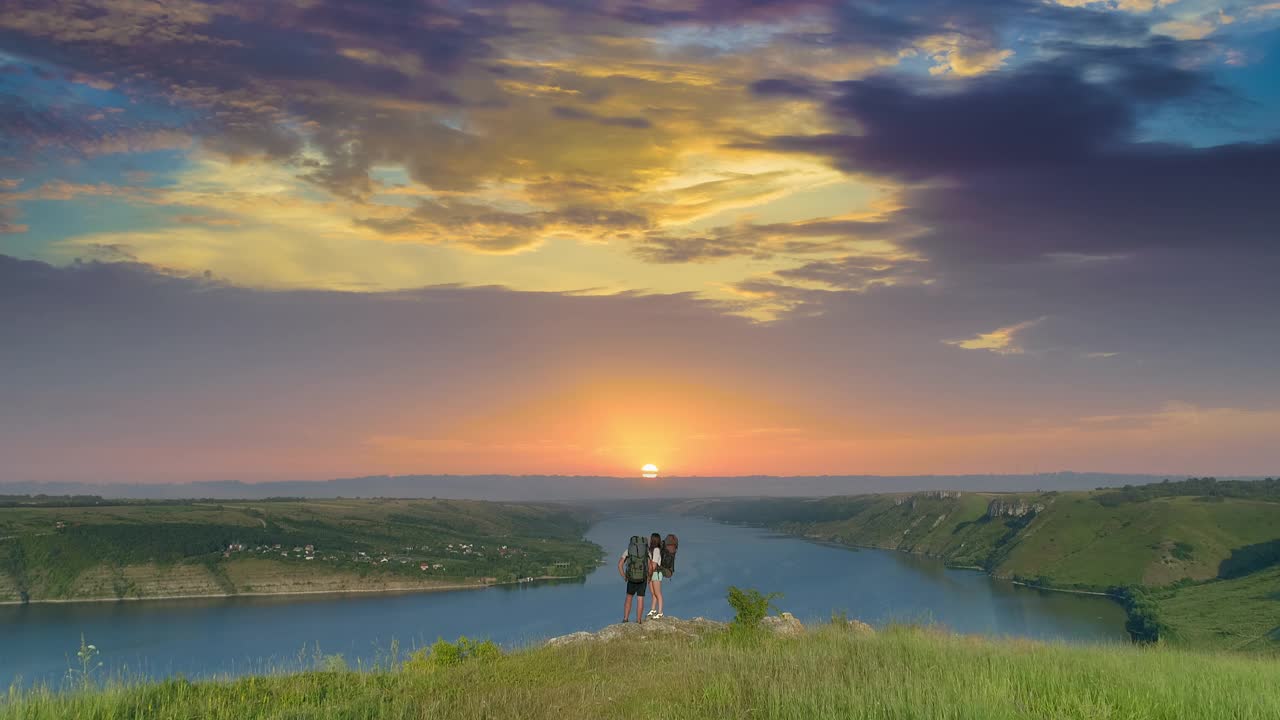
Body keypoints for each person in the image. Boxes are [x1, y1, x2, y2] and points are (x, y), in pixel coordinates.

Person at [618, 534, 650, 623]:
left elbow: (620, 564)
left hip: (631, 578)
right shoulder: (646, 551)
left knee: (629, 598)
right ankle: (638, 620)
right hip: (642, 578)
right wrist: (649, 576)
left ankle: (625, 619)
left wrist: (624, 576)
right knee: (640, 599)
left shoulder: (629, 550)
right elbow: (650, 566)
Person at [645, 532, 665, 619]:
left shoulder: (656, 550)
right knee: (653, 593)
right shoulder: (650, 550)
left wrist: (649, 575)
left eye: (650, 538)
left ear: (653, 540)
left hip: (656, 573)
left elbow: (654, 565)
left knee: (658, 593)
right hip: (651, 573)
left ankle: (660, 612)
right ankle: (653, 610)